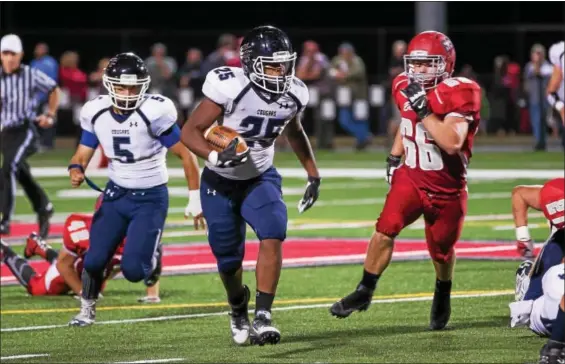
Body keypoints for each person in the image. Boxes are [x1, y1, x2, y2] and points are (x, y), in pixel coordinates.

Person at [330, 31, 482, 331]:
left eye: (428, 64)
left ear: (445, 64)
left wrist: (424, 109)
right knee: (384, 229)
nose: (419, 70)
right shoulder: (403, 84)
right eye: (415, 63)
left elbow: (451, 141)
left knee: (440, 250)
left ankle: (443, 288)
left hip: (446, 188)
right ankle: (364, 290)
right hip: (410, 177)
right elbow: (407, 120)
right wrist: (394, 156)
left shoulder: (461, 92)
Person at [181, 25, 320, 346]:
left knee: (274, 230)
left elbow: (294, 131)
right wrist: (214, 158)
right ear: (251, 63)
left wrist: (313, 172)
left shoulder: (295, 93)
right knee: (228, 260)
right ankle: (237, 307)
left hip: (260, 176)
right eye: (273, 65)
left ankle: (264, 316)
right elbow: (191, 130)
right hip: (220, 180)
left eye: (285, 64)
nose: (281, 71)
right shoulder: (230, 87)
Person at [66, 52, 204, 326]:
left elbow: (187, 156)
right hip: (116, 195)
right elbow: (82, 153)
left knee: (133, 271)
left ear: (144, 85)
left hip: (150, 198)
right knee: (92, 260)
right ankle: (86, 309)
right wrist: (75, 168)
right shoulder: (96, 111)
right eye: (122, 86)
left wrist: (195, 198)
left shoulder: (154, 112)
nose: (128, 93)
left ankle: (153, 254)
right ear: (109, 84)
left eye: (133, 86)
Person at [0, 34, 60, 238]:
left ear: (21, 55)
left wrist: (50, 114)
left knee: (9, 167)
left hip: (25, 130)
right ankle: (44, 206)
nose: (9, 58)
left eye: (13, 54)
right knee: (19, 170)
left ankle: (4, 218)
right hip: (5, 133)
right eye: (5, 53)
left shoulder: (30, 74)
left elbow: (53, 89)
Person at [507, 178, 564, 363]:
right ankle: (527, 285)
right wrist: (523, 237)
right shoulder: (558, 194)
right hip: (557, 251)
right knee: (526, 312)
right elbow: (520, 194)